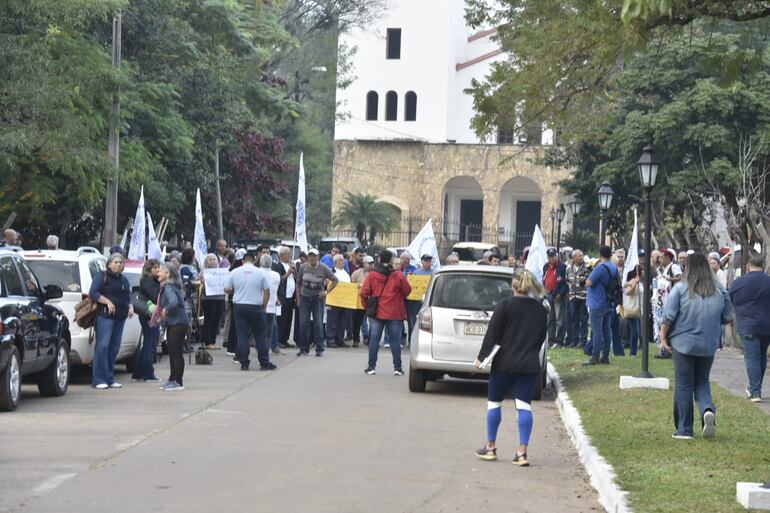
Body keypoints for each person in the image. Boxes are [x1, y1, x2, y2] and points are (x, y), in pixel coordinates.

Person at [473, 269, 548, 466]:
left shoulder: (504, 306)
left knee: (494, 404)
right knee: (524, 406)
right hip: (529, 364)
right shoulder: (540, 310)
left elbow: (493, 335)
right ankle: (522, 452)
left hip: (503, 364)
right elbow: (540, 338)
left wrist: (481, 357)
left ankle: (490, 447)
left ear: (513, 285)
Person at [660, 253, 732, 439]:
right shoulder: (719, 289)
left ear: (688, 268)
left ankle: (684, 429)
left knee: (684, 385)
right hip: (709, 344)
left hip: (683, 343)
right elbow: (727, 316)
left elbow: (668, 316)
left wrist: (663, 337)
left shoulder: (681, 288)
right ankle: (707, 410)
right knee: (702, 381)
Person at [360, 250, 412, 375]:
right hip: (394, 312)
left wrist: (367, 307)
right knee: (395, 341)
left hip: (377, 312)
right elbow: (407, 291)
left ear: (379, 259)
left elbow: (363, 293)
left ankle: (371, 367)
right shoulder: (398, 275)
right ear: (391, 260)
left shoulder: (372, 275)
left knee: (374, 340)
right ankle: (397, 368)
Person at [224, 251, 276, 371]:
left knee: (242, 335)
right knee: (260, 336)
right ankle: (264, 362)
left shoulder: (235, 272)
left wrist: (237, 290)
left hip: (240, 306)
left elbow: (226, 289)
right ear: (254, 261)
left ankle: (244, 363)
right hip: (256, 306)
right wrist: (264, 306)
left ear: (243, 261)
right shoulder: (260, 272)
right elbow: (267, 291)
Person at [729, 255, 770, 403]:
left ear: (748, 267)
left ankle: (755, 392)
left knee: (752, 357)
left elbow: (729, 300)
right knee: (761, 356)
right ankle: (756, 388)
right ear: (763, 266)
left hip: (747, 325)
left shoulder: (739, 282)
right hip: (767, 326)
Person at [89, 252, 133, 389]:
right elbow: (93, 292)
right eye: (115, 262)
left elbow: (127, 297)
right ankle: (99, 379)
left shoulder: (124, 280)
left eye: (121, 262)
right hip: (105, 317)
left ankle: (109, 378)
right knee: (103, 346)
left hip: (120, 318)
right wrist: (107, 302)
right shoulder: (102, 276)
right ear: (109, 264)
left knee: (114, 348)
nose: (118, 264)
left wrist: (130, 306)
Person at [150, 262, 189, 390]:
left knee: (176, 353)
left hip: (178, 323)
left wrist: (166, 309)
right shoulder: (168, 287)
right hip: (174, 322)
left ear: (167, 273)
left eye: (160, 270)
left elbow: (173, 302)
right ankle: (172, 379)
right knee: (172, 352)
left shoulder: (168, 287)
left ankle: (178, 381)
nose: (158, 272)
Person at [297, 248, 338, 356]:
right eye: (310, 256)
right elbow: (298, 283)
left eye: (314, 256)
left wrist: (326, 292)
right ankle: (303, 348)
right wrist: (298, 298)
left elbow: (335, 280)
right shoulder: (303, 267)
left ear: (318, 257)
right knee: (303, 323)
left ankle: (319, 348)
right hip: (305, 298)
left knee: (318, 324)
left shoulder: (323, 268)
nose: (312, 258)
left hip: (317, 299)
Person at [583, 245, 618, 366]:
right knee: (607, 330)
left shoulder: (599, 268)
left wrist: (585, 279)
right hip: (609, 302)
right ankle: (605, 356)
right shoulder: (614, 267)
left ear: (600, 255)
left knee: (597, 330)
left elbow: (589, 283)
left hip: (597, 302)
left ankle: (595, 356)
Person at [131, 259, 161, 382]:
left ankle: (137, 373)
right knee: (150, 343)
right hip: (149, 315)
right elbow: (155, 297)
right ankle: (148, 373)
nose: (158, 269)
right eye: (155, 267)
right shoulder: (149, 282)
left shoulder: (150, 281)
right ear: (149, 269)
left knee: (148, 343)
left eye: (158, 267)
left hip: (149, 314)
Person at [654, 248, 683, 359]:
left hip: (672, 300)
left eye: (661, 257)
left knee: (668, 325)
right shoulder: (665, 269)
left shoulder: (673, 267)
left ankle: (668, 350)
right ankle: (665, 350)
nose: (659, 259)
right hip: (665, 300)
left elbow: (681, 277)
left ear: (667, 258)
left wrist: (668, 279)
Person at [543, 248, 568, 348]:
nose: (553, 258)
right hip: (548, 294)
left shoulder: (562, 267)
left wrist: (560, 294)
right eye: (551, 256)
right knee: (550, 319)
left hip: (558, 295)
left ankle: (559, 341)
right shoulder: (545, 266)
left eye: (554, 256)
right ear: (548, 257)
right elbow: (544, 279)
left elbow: (565, 283)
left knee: (559, 319)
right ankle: (551, 340)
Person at [199, 254, 225, 350]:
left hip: (220, 298)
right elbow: (197, 285)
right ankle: (207, 342)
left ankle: (213, 341)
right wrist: (202, 282)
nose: (213, 261)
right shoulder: (202, 273)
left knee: (217, 321)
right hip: (208, 299)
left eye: (214, 259)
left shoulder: (221, 272)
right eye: (210, 260)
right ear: (206, 261)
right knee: (209, 320)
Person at [326, 254, 352, 348]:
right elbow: (328, 283)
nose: (343, 261)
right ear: (335, 262)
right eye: (341, 260)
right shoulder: (331, 271)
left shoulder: (346, 272)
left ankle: (340, 339)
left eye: (343, 260)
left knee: (342, 322)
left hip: (344, 301)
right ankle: (330, 339)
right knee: (332, 321)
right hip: (333, 300)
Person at [223, 248, 246, 355]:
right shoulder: (235, 271)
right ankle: (232, 347)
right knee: (235, 323)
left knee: (235, 323)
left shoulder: (233, 270)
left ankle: (233, 347)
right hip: (235, 299)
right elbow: (227, 288)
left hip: (235, 298)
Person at [273, 246, 297, 349]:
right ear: (282, 255)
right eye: (288, 254)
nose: (290, 255)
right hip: (283, 296)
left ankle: (285, 339)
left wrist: (295, 271)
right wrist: (288, 273)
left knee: (288, 319)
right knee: (281, 320)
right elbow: (279, 280)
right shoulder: (278, 266)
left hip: (291, 296)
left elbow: (296, 279)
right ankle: (279, 339)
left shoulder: (291, 265)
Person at [566, 249, 589, 349]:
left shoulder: (586, 268)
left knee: (583, 320)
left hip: (583, 297)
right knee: (574, 320)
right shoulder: (568, 269)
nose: (581, 257)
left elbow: (587, 280)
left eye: (582, 255)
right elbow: (567, 280)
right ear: (574, 257)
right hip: (572, 297)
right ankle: (574, 340)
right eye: (579, 256)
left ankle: (583, 341)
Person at [260, 254, 282, 355]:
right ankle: (267, 348)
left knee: (259, 330)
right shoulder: (276, 275)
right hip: (271, 306)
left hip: (259, 305)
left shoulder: (257, 272)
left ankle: (261, 348)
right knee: (269, 331)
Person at [351, 256, 374, 347]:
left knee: (372, 321)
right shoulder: (356, 273)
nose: (371, 265)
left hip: (372, 301)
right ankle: (355, 339)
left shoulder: (376, 273)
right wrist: (359, 286)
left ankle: (370, 340)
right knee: (357, 321)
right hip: (360, 300)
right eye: (369, 263)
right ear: (364, 264)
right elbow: (352, 286)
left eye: (372, 263)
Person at [623, 267, 643, 357]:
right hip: (632, 309)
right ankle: (632, 352)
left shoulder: (640, 282)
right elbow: (628, 292)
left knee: (637, 331)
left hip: (638, 309)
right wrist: (635, 284)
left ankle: (634, 351)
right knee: (635, 332)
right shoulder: (633, 281)